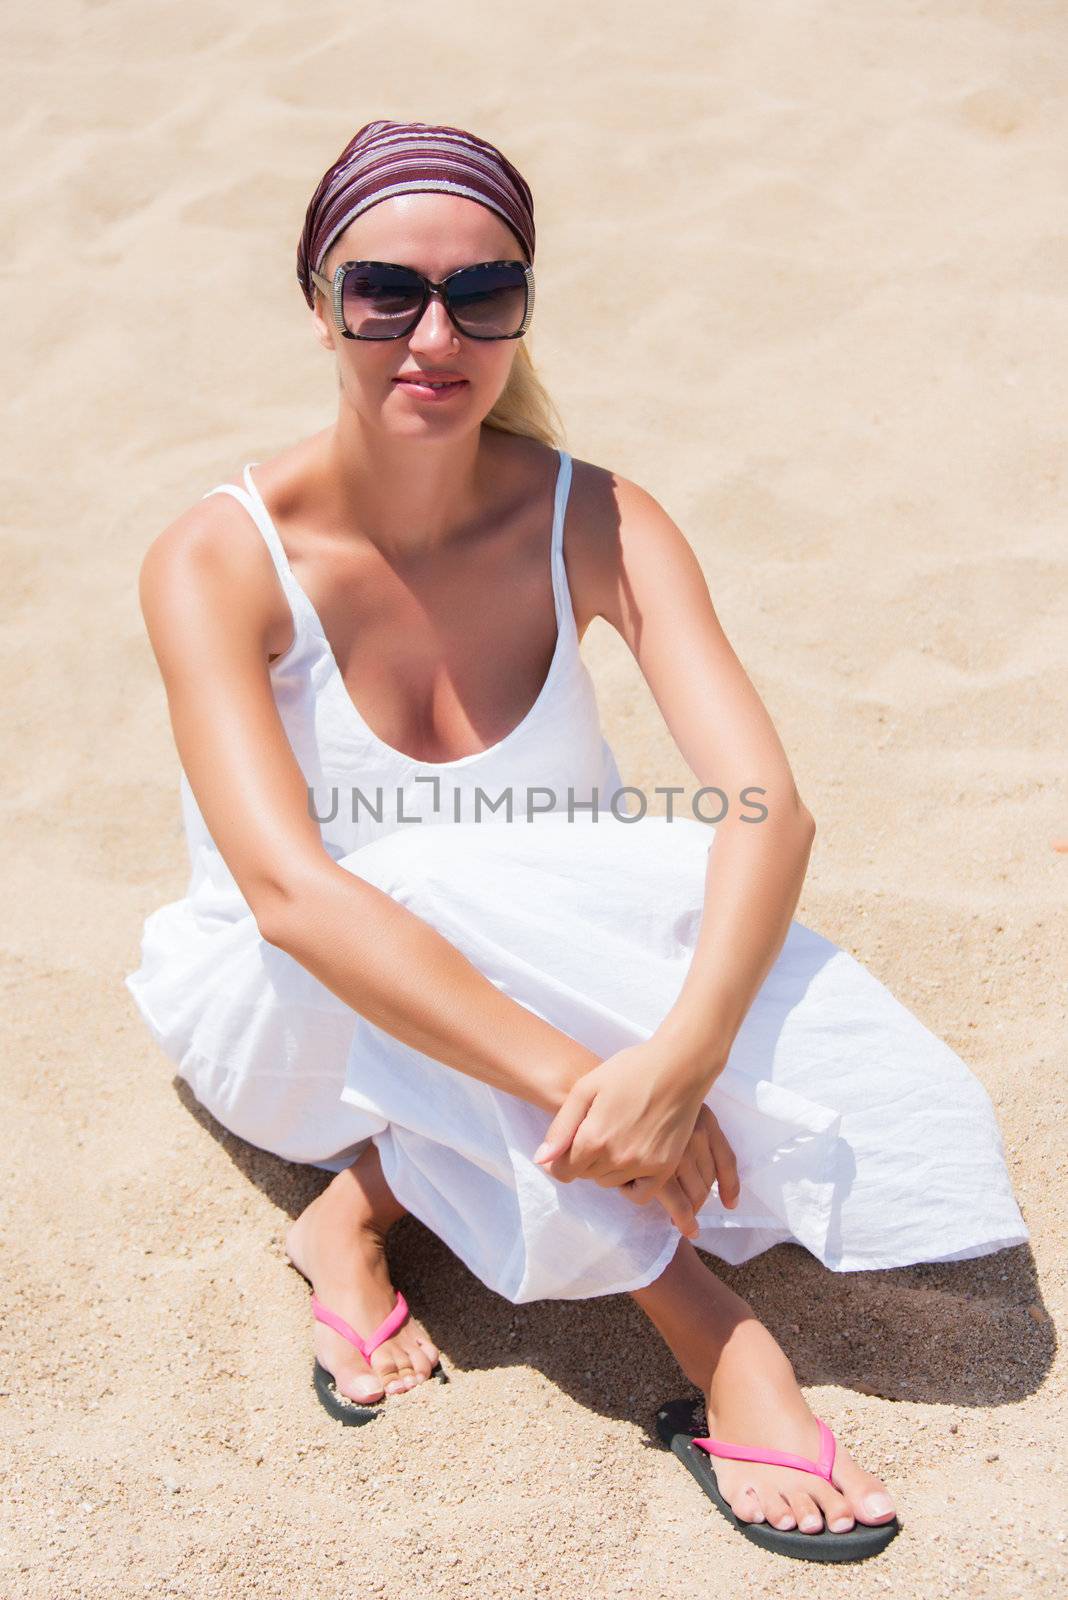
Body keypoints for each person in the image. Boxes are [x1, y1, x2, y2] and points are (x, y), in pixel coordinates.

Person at [125, 118, 1028, 1562]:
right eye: (385, 293)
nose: (437, 332)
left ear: (521, 307)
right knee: (404, 876)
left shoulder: (596, 517)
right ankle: (707, 1326)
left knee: (872, 1081)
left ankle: (353, 1220)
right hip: (291, 1017)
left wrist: (676, 1062)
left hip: (548, 971)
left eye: (485, 294)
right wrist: (607, 1109)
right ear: (317, 304)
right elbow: (293, 898)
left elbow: (766, 807)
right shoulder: (217, 557)